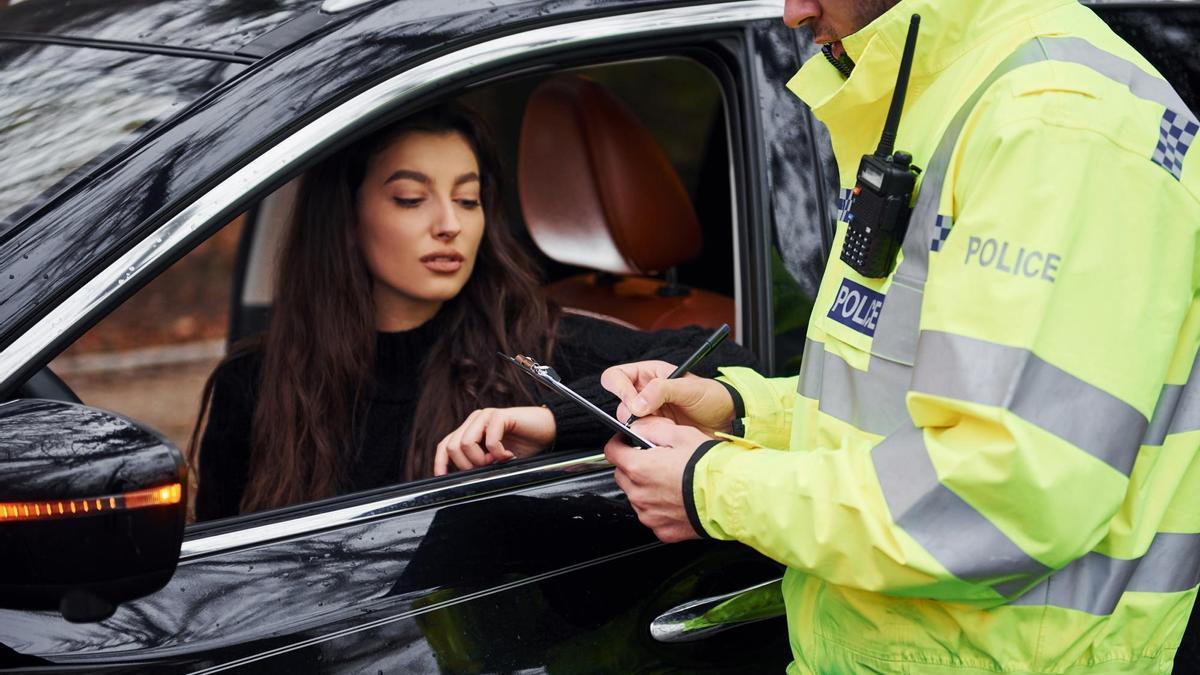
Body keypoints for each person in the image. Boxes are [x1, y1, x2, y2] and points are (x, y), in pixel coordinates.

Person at [601, 0, 1200, 673]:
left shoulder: (1053, 121)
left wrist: (714, 486)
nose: (794, 13)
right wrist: (742, 411)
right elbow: (926, 394)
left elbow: (1001, 491)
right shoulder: (951, 95)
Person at [189, 103, 755, 522]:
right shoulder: (254, 385)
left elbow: (724, 361)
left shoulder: (529, 342)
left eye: (468, 199)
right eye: (412, 199)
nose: (450, 224)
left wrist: (559, 419)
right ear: (346, 215)